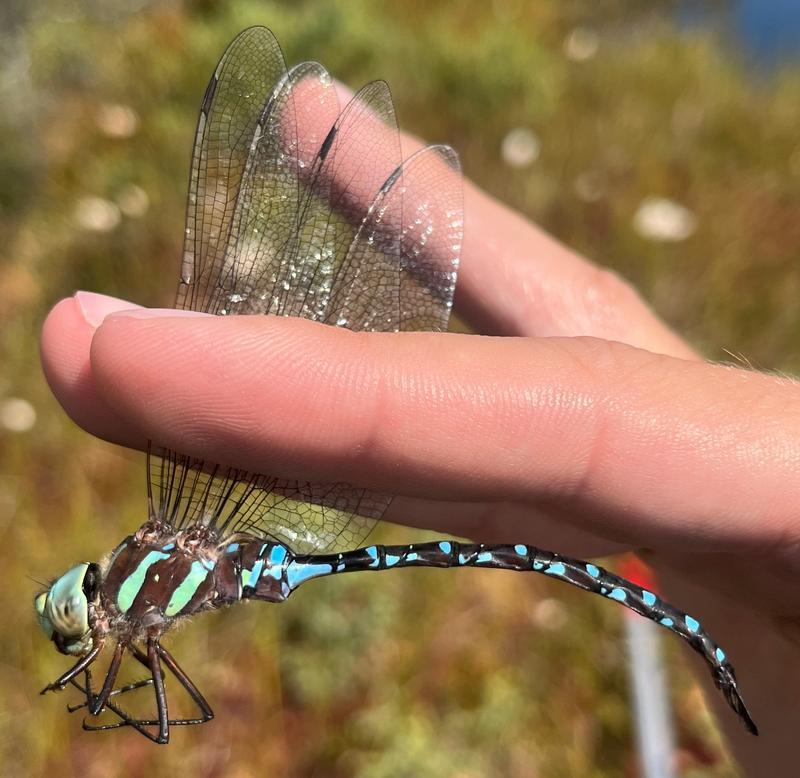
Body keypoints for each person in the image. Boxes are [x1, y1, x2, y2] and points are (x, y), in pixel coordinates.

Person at [40, 146, 798, 774]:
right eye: (76, 623)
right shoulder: (136, 607)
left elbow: (174, 712)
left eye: (79, 615)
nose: (84, 625)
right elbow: (184, 714)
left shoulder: (138, 591)